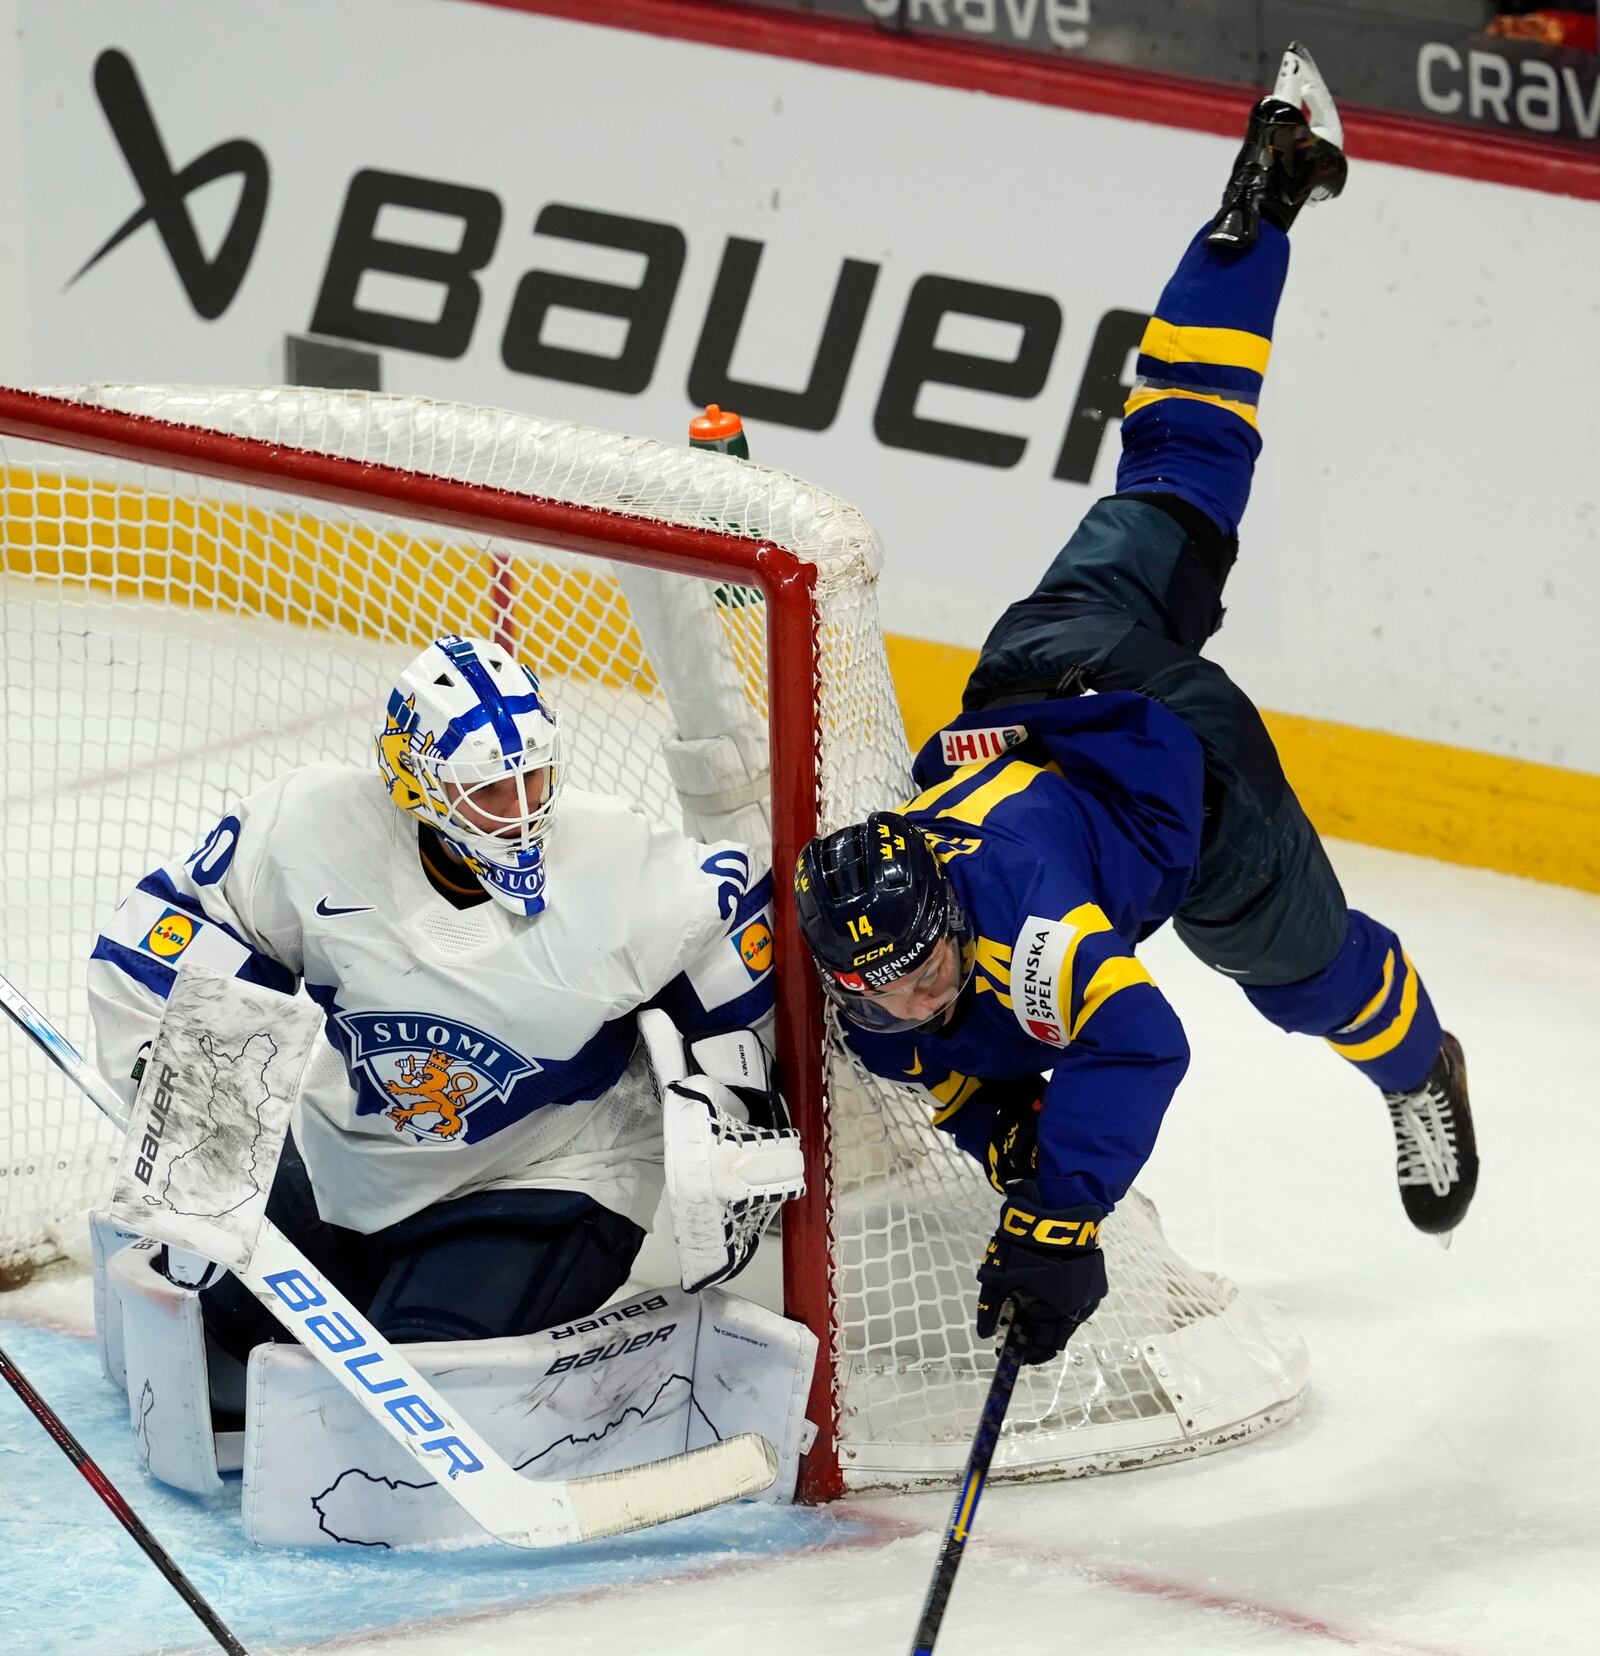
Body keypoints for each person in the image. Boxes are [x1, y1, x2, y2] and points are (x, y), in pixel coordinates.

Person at [793, 45, 1479, 1368]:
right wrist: (1008, 1140)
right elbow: (939, 1061)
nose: (909, 1000)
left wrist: (1056, 1217)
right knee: (1174, 455)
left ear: (956, 919)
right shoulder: (872, 960)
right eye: (879, 990)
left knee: (1296, 973)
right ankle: (1253, 215)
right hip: (1050, 666)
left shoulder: (1033, 930)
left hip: (1183, 770)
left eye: (925, 970)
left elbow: (1142, 1042)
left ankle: (1419, 1068)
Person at [87, 632, 781, 1412]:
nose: (522, 813)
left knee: (415, 1386)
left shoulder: (627, 869)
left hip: (548, 1177)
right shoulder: (311, 828)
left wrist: (727, 1110)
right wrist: (181, 1081)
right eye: (490, 790)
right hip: (357, 1164)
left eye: (535, 778)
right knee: (242, 1331)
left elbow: (737, 948)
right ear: (416, 784)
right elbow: (171, 926)